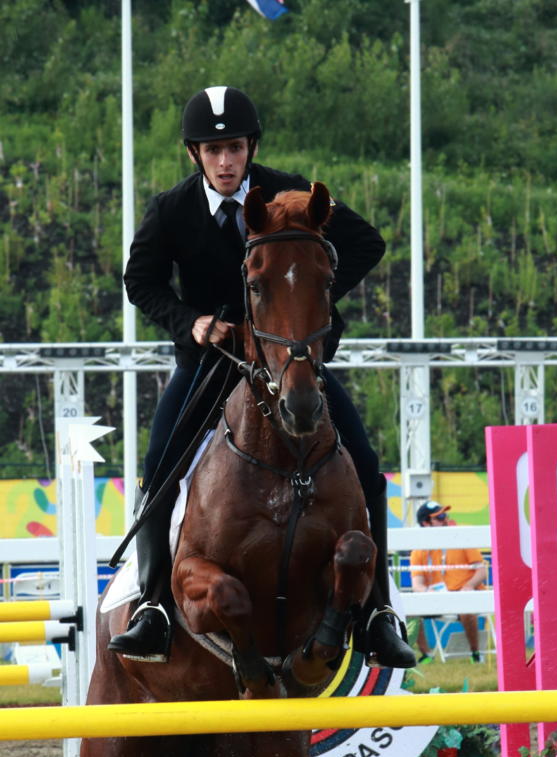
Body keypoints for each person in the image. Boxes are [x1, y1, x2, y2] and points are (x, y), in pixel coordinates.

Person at [108, 84, 415, 669]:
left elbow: (366, 242)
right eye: (213, 150)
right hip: (213, 363)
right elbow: (139, 281)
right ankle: (153, 606)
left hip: (288, 362)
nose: (225, 161)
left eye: (235, 149)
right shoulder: (171, 210)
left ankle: (378, 612)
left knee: (367, 463)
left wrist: (308, 294)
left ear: (251, 147)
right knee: (158, 464)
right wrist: (191, 321)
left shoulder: (288, 193)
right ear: (195, 154)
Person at [410, 500, 488, 663]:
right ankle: (427, 655)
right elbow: (417, 585)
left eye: (445, 515)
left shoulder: (461, 539)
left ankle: (475, 654)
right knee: (410, 610)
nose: (446, 519)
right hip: (437, 598)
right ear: (425, 523)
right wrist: (427, 592)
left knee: (466, 608)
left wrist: (468, 586)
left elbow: (482, 572)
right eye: (440, 517)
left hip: (465, 595)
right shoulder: (418, 551)